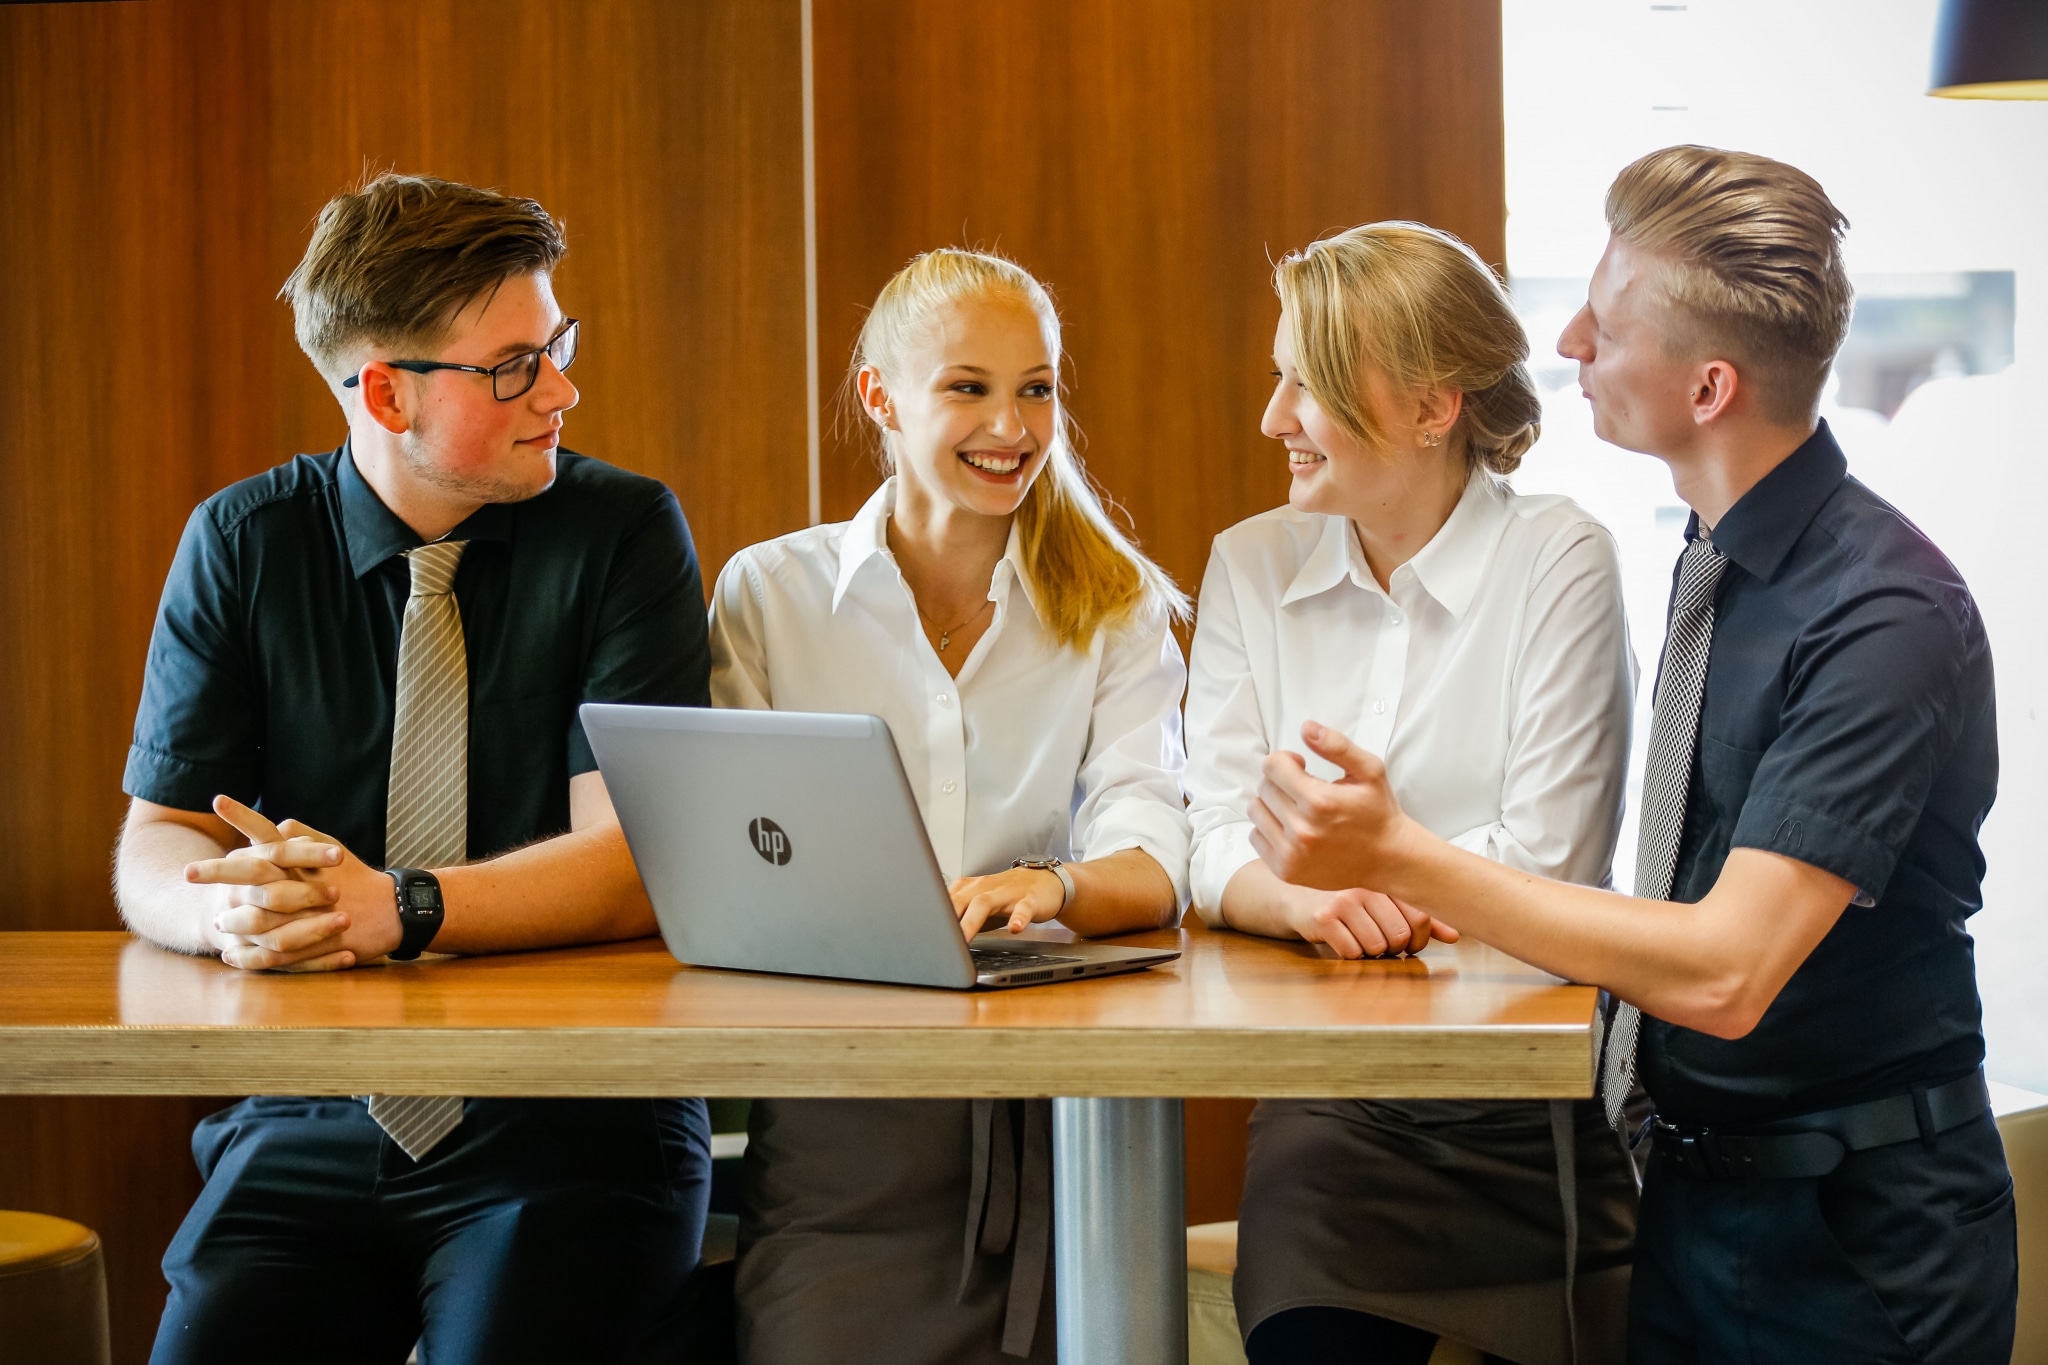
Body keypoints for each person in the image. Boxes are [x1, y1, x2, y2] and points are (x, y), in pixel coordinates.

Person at [1249, 146, 2017, 1364]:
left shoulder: (1883, 613)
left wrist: (1397, 855)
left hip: (1854, 1247)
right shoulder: (1716, 563)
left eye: (1603, 326)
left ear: (1706, 388)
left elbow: (1723, 972)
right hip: (1694, 1201)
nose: (1561, 343)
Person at [117, 173, 713, 1365]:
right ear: (386, 392)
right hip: (304, 1112)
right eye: (514, 368)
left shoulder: (623, 531)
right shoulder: (240, 542)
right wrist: (234, 914)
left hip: (570, 1124)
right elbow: (155, 843)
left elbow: (634, 862)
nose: (562, 389)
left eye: (557, 347)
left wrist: (396, 908)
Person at [708, 248, 1190, 1363]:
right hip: (837, 1109)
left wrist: (1055, 885)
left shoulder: (1113, 608)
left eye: (1036, 387)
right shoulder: (770, 594)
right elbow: (739, 861)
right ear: (880, 396)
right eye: (967, 386)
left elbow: (1155, 848)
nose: (1011, 425)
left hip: (1061, 1117)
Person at [1183, 222, 1639, 1365]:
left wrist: (1368, 861)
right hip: (1331, 1116)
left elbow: (1552, 864)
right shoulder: (1249, 562)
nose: (1271, 418)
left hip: (1528, 1106)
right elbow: (1203, 829)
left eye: (1307, 384)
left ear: (1434, 407)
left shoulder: (1559, 558)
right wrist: (1292, 903)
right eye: (1276, 376)